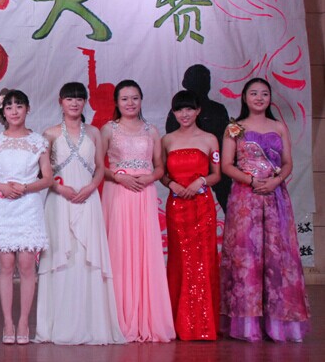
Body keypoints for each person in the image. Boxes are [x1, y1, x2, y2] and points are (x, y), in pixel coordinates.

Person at [219, 77, 310, 342]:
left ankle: (279, 324)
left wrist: (275, 181)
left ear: (270, 98)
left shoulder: (279, 126)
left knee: (277, 257)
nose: (259, 98)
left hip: (275, 197)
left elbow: (288, 162)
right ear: (244, 97)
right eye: (254, 93)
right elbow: (226, 165)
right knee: (246, 256)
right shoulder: (235, 128)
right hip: (245, 200)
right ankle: (247, 325)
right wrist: (251, 181)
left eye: (264, 94)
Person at [35, 82, 125, 345]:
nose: (74, 103)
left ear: (84, 102)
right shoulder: (49, 134)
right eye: (69, 99)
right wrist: (60, 188)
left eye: (79, 99)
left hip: (88, 200)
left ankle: (92, 325)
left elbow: (100, 167)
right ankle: (56, 326)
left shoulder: (95, 132)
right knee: (60, 257)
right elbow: (43, 173)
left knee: (88, 258)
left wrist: (91, 187)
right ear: (60, 102)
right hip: (59, 201)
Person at [100, 79, 175, 342]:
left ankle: (146, 317)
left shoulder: (151, 130)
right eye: (125, 99)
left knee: (144, 251)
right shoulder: (108, 129)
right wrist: (119, 177)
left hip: (144, 193)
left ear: (141, 100)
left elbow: (160, 166)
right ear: (116, 102)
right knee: (120, 249)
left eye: (135, 98)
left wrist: (150, 177)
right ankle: (119, 318)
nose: (130, 103)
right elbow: (97, 167)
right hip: (118, 192)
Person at [0, 89, 52, 345]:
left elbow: (47, 178)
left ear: (27, 109)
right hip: (5, 206)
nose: (14, 111)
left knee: (26, 265)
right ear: (3, 112)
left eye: (19, 106)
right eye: (9, 107)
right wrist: (2, 187)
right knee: (5, 265)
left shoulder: (38, 142)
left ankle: (23, 320)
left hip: (28, 204)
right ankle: (8, 322)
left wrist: (25, 187)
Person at [160, 90, 221, 341]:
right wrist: (171, 184)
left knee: (203, 261)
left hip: (202, 206)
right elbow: (162, 173)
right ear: (174, 113)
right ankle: (178, 322)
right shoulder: (166, 140)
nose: (184, 114)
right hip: (177, 206)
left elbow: (217, 174)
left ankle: (204, 324)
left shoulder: (210, 139)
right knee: (180, 260)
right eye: (179, 109)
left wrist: (202, 181)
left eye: (189, 109)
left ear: (198, 111)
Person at [165, 64, 231, 211]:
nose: (184, 114)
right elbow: (172, 141)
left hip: (217, 165)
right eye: (196, 80)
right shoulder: (175, 113)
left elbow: (226, 140)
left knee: (229, 204)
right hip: (185, 169)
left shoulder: (218, 109)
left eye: (205, 80)